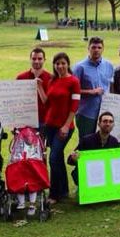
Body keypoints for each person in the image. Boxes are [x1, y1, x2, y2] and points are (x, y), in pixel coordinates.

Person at [43, 52, 80, 204]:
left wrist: (66, 126)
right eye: (57, 63)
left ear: (68, 64)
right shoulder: (52, 80)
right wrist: (39, 86)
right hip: (49, 125)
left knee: (53, 158)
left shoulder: (74, 81)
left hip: (64, 126)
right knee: (57, 158)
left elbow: (74, 107)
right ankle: (64, 190)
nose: (60, 66)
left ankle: (54, 194)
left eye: (63, 63)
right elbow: (46, 102)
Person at [72, 37, 114, 138]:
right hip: (86, 113)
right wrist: (91, 92)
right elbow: (73, 91)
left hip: (104, 113)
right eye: (93, 47)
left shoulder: (109, 65)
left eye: (99, 47)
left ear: (103, 49)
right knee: (86, 144)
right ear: (88, 48)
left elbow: (111, 86)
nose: (96, 50)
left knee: (103, 144)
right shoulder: (80, 67)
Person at [68, 111, 120, 186]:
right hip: (89, 175)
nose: (108, 124)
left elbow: (119, 161)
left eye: (110, 122)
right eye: (105, 121)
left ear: (113, 125)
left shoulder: (114, 141)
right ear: (99, 124)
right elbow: (69, 160)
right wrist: (74, 158)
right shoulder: (87, 140)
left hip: (105, 175)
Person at [16, 47, 53, 130]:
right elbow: (16, 101)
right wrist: (15, 122)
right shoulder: (21, 77)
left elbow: (51, 103)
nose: (36, 61)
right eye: (34, 58)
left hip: (44, 121)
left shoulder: (51, 78)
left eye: (40, 59)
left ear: (44, 60)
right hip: (25, 121)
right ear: (30, 59)